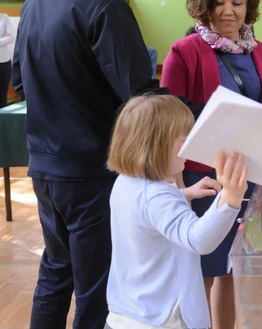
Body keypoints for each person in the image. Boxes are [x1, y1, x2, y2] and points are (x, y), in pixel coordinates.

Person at [12, 0, 159, 329]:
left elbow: (18, 81)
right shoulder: (107, 6)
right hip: (92, 171)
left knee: (56, 271)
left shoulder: (37, 0)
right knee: (98, 287)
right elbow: (140, 96)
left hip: (44, 166)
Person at [161, 0, 262, 329]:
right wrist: (178, 185)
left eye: (237, 3)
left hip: (246, 173)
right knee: (203, 266)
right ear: (205, 5)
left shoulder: (259, 51)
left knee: (231, 267)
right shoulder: (185, 50)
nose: (228, 11)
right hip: (203, 177)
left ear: (248, 7)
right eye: (219, 2)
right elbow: (169, 117)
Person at [105, 94, 248, 329]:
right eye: (183, 140)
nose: (190, 148)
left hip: (127, 313)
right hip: (161, 319)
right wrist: (230, 198)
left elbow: (146, 215)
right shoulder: (157, 196)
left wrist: (183, 194)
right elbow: (198, 239)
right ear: (157, 146)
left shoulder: (126, 182)